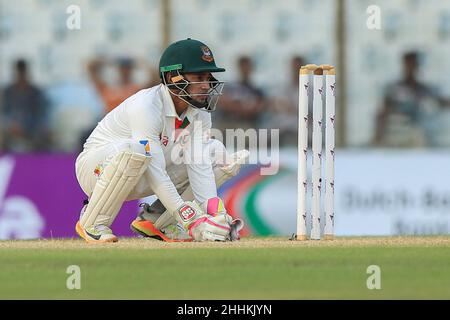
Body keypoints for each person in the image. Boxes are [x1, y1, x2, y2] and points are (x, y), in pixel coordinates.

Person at [75, 38, 248, 243]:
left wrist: (214, 214)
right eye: (199, 77)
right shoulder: (146, 106)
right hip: (95, 169)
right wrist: (189, 218)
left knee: (213, 151)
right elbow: (155, 170)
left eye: (208, 77)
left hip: (141, 170)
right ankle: (93, 221)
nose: (206, 85)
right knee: (137, 150)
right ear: (173, 77)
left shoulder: (199, 112)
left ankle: (157, 221)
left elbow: (199, 166)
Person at [374, 51, 450, 147]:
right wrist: (377, 137)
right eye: (408, 63)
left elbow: (442, 102)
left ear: (417, 66)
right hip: (398, 133)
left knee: (418, 137)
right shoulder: (394, 89)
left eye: (413, 64)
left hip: (420, 135)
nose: (411, 67)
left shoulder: (424, 90)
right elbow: (383, 112)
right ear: (403, 65)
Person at [1, 59, 51, 152]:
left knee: (42, 134)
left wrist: (26, 126)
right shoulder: (8, 92)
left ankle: (36, 162)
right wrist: (11, 124)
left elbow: (41, 114)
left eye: (22, 73)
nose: (20, 76)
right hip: (11, 127)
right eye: (19, 73)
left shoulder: (35, 92)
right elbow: (4, 112)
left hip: (31, 128)